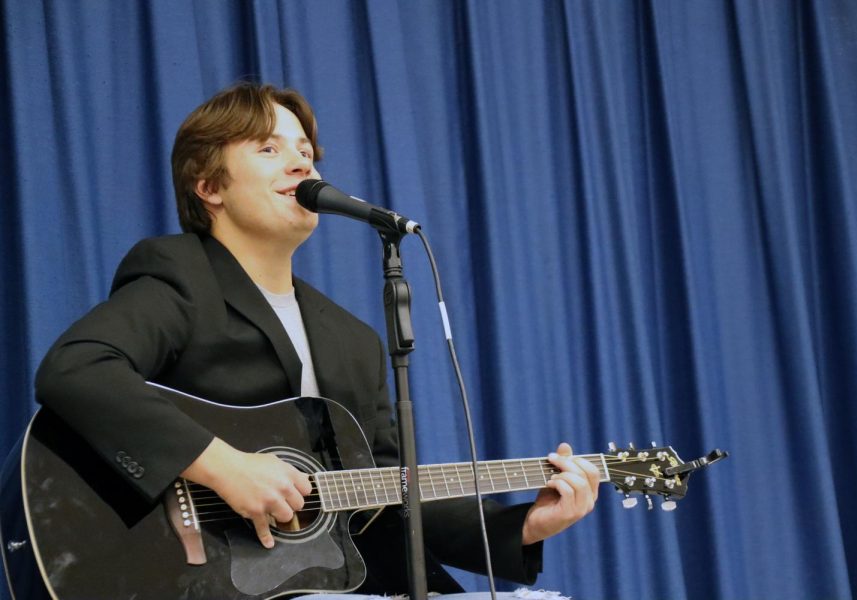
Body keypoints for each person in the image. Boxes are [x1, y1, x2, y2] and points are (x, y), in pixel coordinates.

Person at [34, 82, 600, 595]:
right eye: (269, 149)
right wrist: (224, 467)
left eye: (306, 150)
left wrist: (524, 526)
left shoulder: (351, 339)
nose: (301, 162)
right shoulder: (181, 276)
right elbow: (77, 369)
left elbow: (386, 496)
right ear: (209, 187)